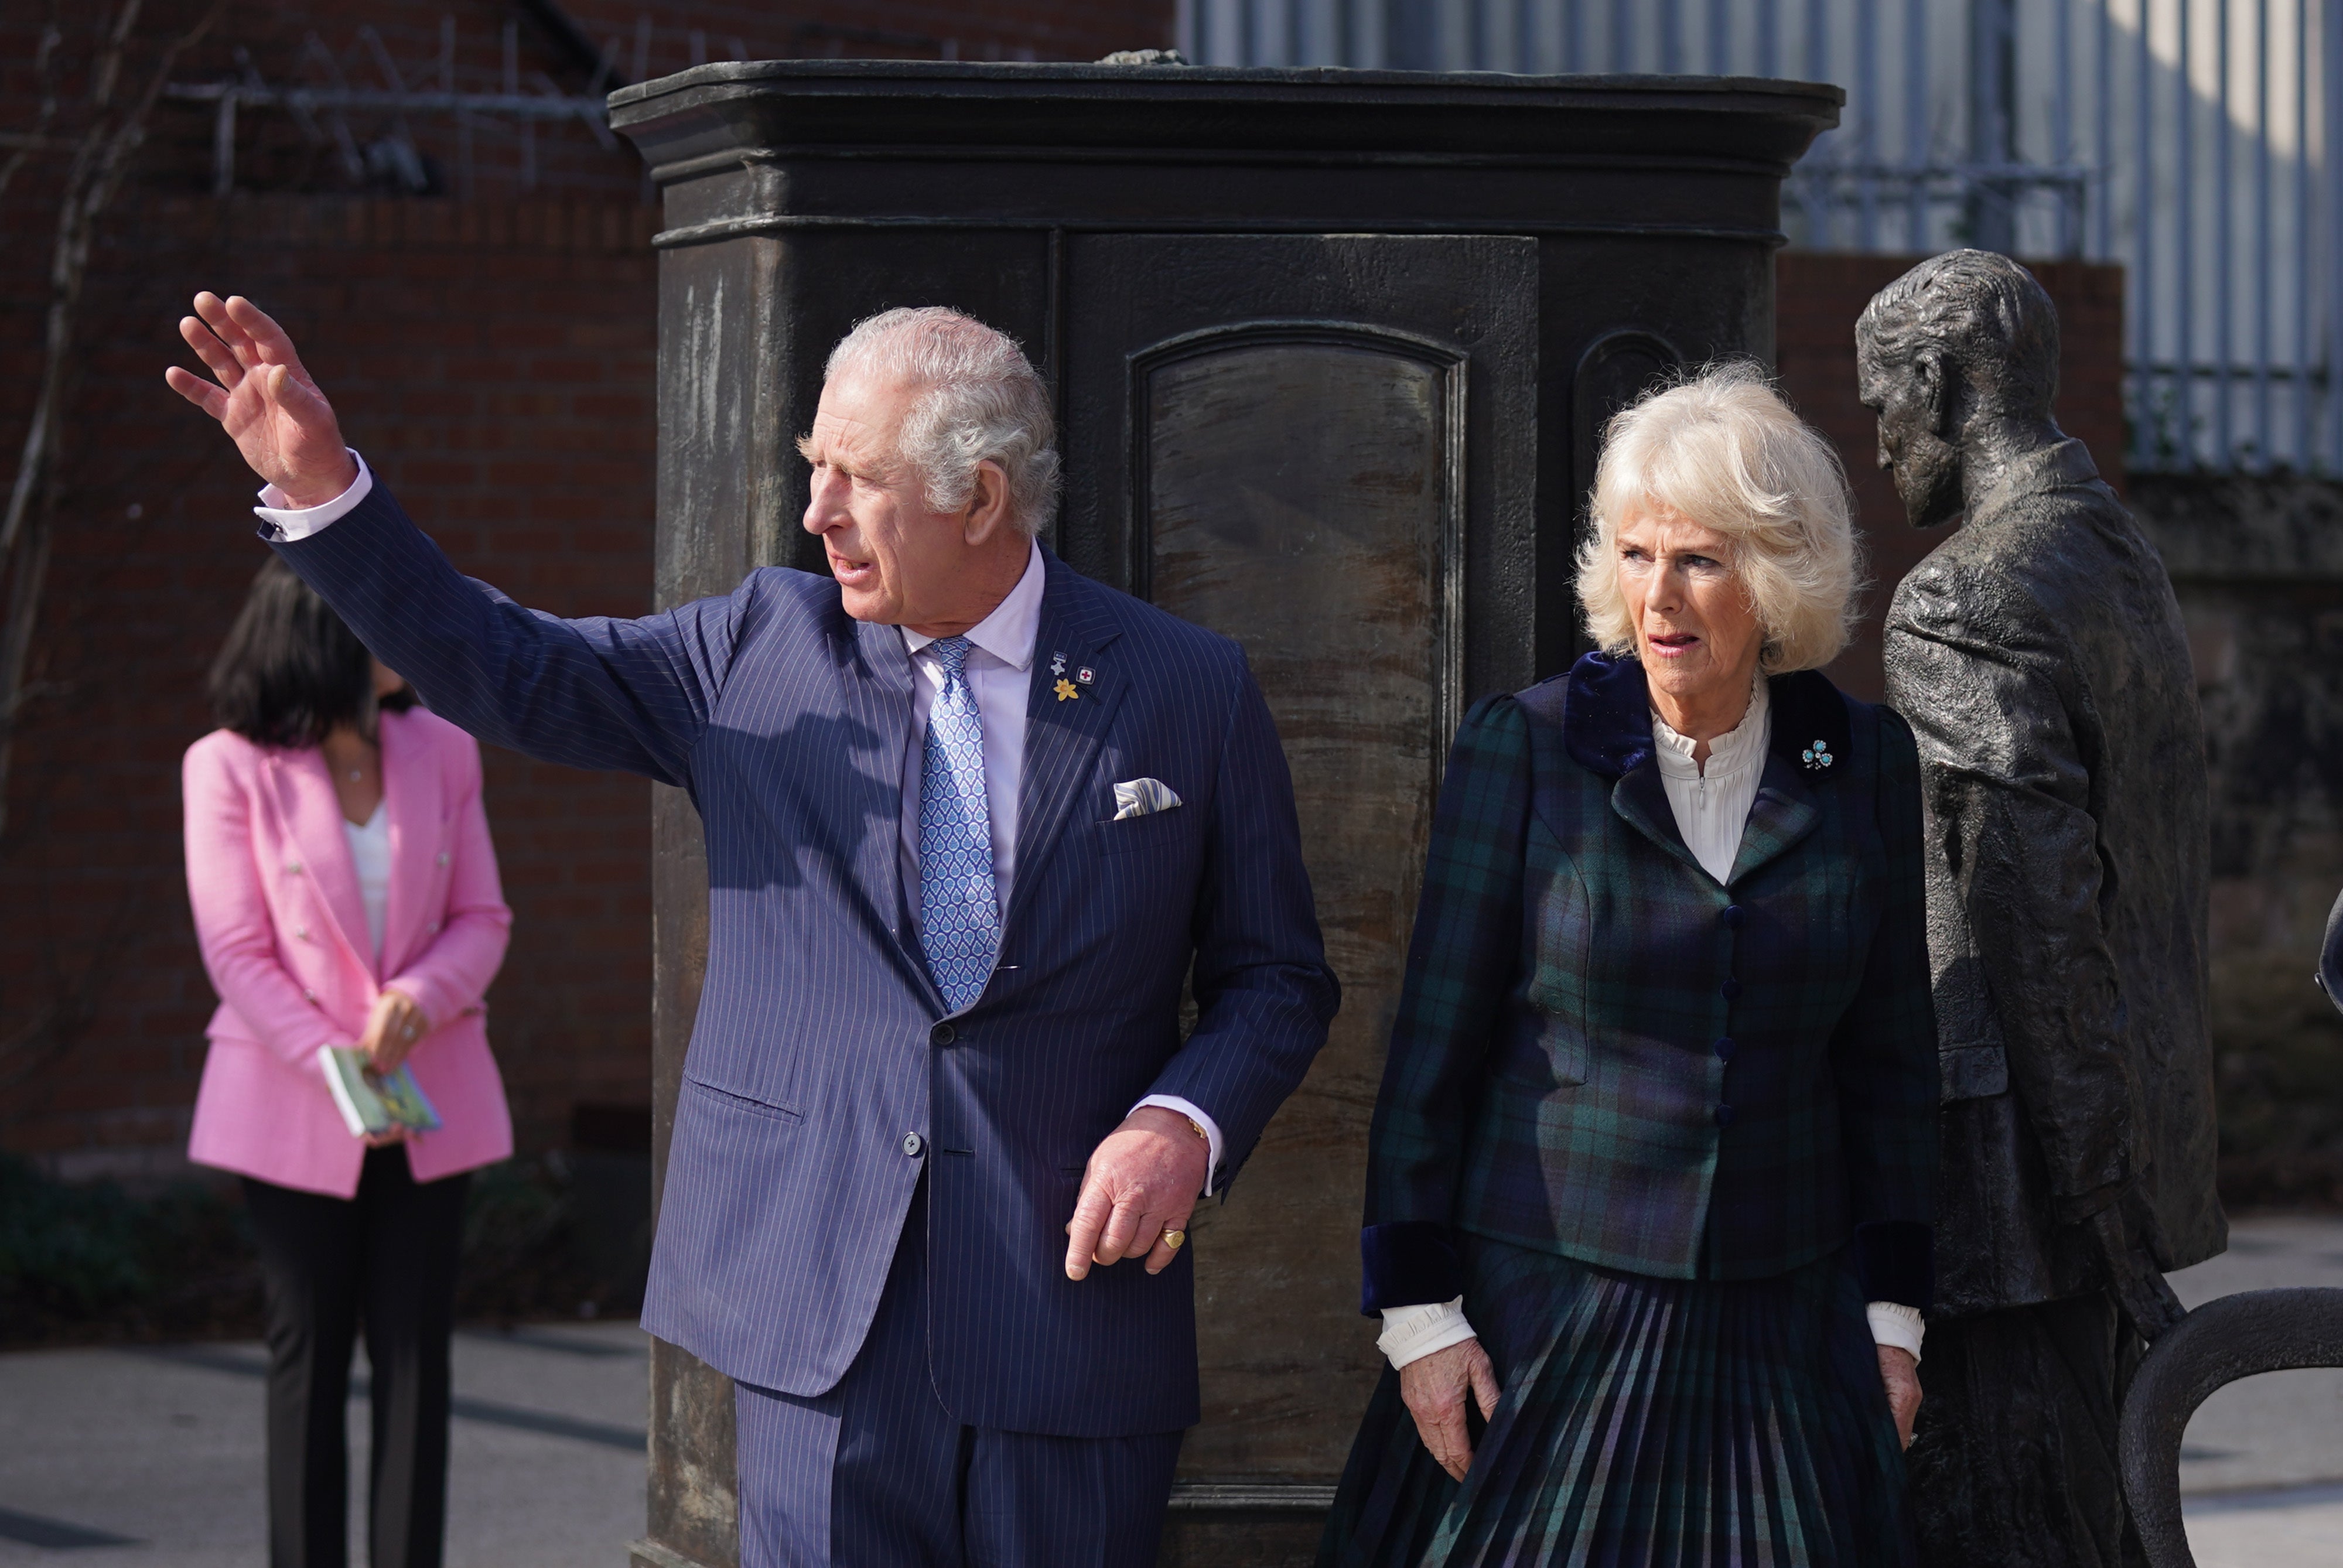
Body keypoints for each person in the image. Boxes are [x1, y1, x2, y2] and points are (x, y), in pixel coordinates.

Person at [165, 294, 1338, 1567]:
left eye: (857, 479)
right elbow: (506, 665)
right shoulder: (754, 650)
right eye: (811, 469)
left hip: (1065, 1316)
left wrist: (1183, 1123)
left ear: (982, 499)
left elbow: (1274, 977)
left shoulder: (1184, 685)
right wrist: (327, 493)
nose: (815, 512)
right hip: (816, 1312)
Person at [1321, 364, 1939, 1567]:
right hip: (1548, 1310)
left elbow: (1889, 1067)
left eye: (1698, 559)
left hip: (1785, 1319)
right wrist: (1417, 1317)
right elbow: (1428, 1060)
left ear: (1774, 579)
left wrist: (1893, 1315)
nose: (1655, 595)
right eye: (1633, 553)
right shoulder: (1530, 747)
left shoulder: (1862, 761)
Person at [1866, 250, 2225, 1567]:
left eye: (1880, 404)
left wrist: (2096, 1207)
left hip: (2023, 1201)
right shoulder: (2117, 551)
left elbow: (2036, 922)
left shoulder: (1958, 597)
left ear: (1940, 381)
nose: (1878, 439)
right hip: (2115, 1170)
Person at [183, 556, 514, 1568]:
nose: (404, 642)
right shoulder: (226, 765)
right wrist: (338, 1056)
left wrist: (419, 997)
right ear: (322, 637)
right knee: (310, 1356)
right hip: (291, 1103)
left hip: (430, 1097)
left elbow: (483, 916)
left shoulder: (445, 749)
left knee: (418, 1360)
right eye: (382, 621)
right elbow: (235, 948)